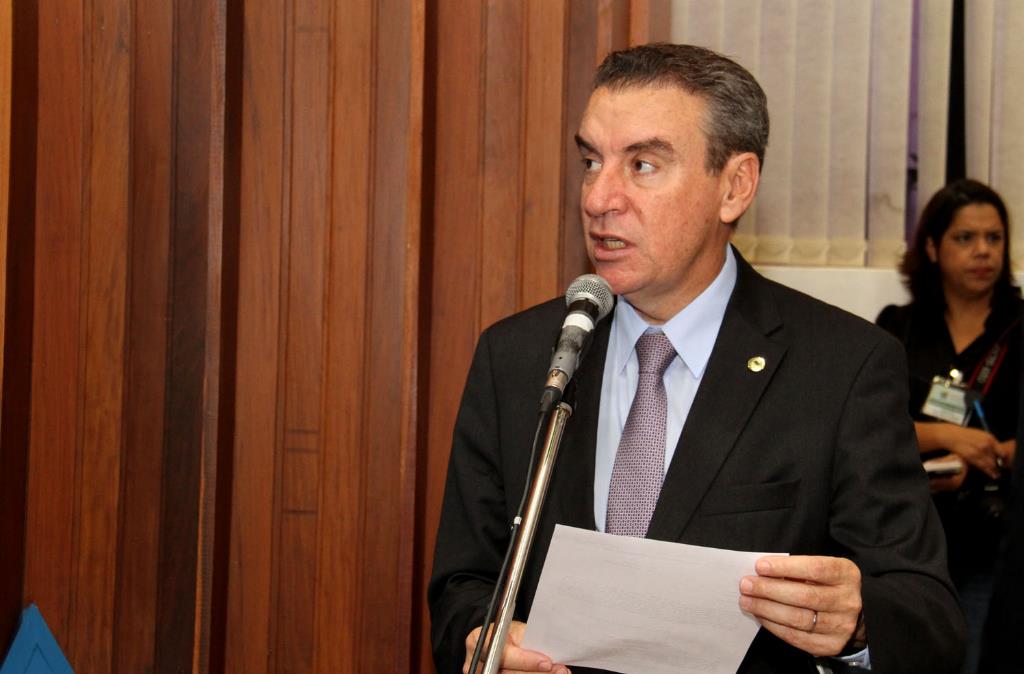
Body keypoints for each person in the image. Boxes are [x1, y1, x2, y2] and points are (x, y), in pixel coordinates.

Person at [430, 43, 965, 674]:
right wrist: (483, 640)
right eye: (591, 161)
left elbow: (929, 618)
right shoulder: (519, 356)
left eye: (643, 165)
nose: (599, 198)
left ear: (734, 187)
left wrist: (859, 622)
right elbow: (463, 585)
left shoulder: (842, 368)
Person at [876, 179, 1020, 674]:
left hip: (992, 538)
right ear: (934, 248)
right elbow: (868, 430)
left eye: (994, 238)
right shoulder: (899, 327)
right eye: (965, 238)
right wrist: (945, 438)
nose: (983, 251)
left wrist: (992, 452)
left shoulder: (1018, 326)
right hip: (906, 535)